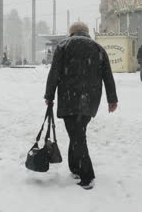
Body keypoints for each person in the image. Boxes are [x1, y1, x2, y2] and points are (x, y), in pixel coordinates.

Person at [44, 22, 118, 190]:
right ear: (86, 32)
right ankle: (75, 168)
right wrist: (112, 99)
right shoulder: (98, 48)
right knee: (78, 133)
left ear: (72, 33)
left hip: (69, 98)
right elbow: (108, 75)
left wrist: (49, 95)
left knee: (77, 136)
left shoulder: (64, 46)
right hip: (90, 99)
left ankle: (87, 175)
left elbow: (54, 72)